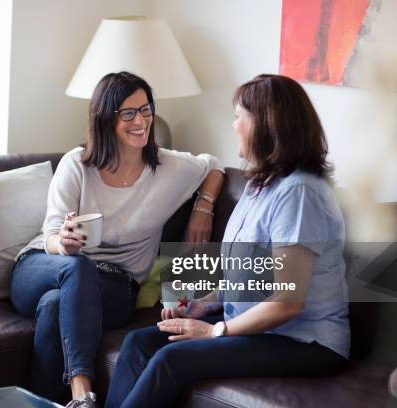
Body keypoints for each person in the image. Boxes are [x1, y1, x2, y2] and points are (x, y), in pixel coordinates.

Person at [105, 74, 351, 408]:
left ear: (266, 126)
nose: (234, 125)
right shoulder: (259, 185)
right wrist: (203, 304)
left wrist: (214, 330)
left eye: (240, 117)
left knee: (172, 359)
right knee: (138, 342)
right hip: (256, 327)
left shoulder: (300, 193)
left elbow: (288, 302)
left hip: (304, 342)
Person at [10, 71, 225, 408]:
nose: (140, 120)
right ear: (105, 118)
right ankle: (82, 394)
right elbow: (51, 234)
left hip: (116, 286)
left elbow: (213, 166)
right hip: (45, 264)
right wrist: (64, 244)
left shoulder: (169, 167)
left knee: (55, 307)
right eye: (128, 113)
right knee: (77, 268)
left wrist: (204, 208)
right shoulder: (77, 165)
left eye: (146, 110)